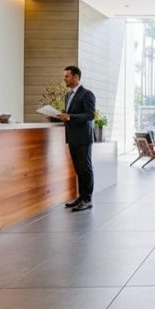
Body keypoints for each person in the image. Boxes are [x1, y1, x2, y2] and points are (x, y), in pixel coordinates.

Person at [56, 65, 97, 211]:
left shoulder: (87, 94)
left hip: (83, 138)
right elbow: (70, 115)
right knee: (78, 169)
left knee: (85, 169)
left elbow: (90, 115)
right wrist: (58, 117)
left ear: (76, 77)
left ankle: (87, 199)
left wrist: (70, 116)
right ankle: (81, 197)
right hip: (72, 137)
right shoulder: (68, 95)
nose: (64, 78)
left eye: (67, 76)